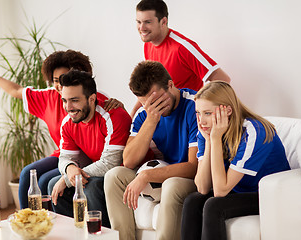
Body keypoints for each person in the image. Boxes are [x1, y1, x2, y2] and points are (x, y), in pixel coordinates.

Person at [0, 50, 123, 209]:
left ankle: (51, 224)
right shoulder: (47, 97)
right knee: (28, 173)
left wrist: (121, 106)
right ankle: (29, 221)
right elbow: (16, 91)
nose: (60, 85)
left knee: (45, 181)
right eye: (56, 80)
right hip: (65, 154)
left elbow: (111, 116)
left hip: (87, 156)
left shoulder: (92, 98)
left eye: (64, 79)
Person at [181, 81, 290, 240]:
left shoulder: (253, 132)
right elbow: (202, 187)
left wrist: (216, 139)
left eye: (208, 113)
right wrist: (211, 142)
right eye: (198, 112)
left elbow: (220, 191)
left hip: (267, 195)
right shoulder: (207, 131)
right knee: (193, 200)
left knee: (213, 206)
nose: (201, 121)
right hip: (238, 190)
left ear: (228, 111)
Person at [104, 61, 199, 240]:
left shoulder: (195, 107)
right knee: (114, 176)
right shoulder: (144, 115)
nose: (152, 108)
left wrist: (146, 176)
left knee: (172, 184)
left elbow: (194, 167)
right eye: (146, 104)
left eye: (156, 101)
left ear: (170, 85)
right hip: (164, 173)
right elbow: (129, 161)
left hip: (189, 178)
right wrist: (151, 120)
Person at [47, 69, 131, 228]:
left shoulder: (113, 116)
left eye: (74, 100)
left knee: (91, 187)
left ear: (92, 99)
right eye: (64, 100)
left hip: (122, 172)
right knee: (53, 186)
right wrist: (69, 168)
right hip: (98, 170)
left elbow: (110, 163)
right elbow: (64, 158)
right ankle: (73, 235)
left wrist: (67, 179)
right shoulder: (68, 123)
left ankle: (102, 237)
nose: (68, 107)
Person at [130, 0, 231, 117]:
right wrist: (132, 114)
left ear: (163, 21)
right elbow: (149, 87)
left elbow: (222, 79)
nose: (142, 28)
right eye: (138, 22)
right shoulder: (148, 44)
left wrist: (204, 111)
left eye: (147, 22)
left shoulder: (181, 47)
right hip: (166, 115)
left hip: (188, 117)